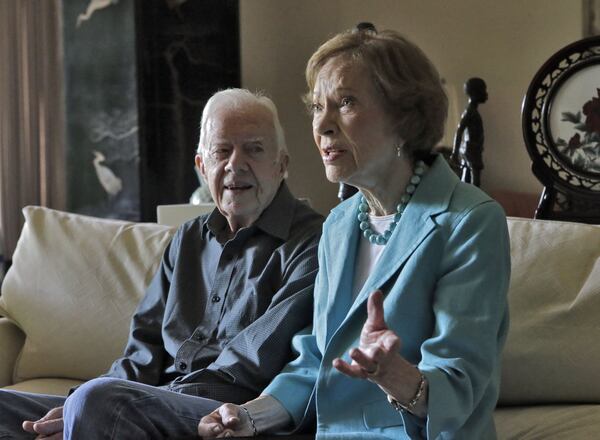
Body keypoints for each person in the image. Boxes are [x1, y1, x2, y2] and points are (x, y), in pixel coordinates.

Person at [198, 26, 510, 439]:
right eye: (316, 107)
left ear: (403, 115)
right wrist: (247, 418)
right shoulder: (340, 224)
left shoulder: (469, 221)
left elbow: (460, 384)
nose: (322, 125)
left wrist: (393, 374)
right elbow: (314, 362)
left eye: (345, 102)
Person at [0, 88, 324, 439]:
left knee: (100, 402)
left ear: (281, 165)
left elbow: (252, 365)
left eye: (254, 149)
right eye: (222, 150)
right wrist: (75, 407)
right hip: (150, 402)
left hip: (230, 416)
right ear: (202, 165)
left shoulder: (312, 241)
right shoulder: (187, 239)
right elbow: (143, 347)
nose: (235, 164)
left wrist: (109, 401)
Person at [451, 77, 488, 187]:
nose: (486, 94)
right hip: (471, 150)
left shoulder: (472, 111)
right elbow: (459, 131)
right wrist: (454, 152)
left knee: (466, 176)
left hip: (471, 149)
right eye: (483, 90)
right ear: (476, 93)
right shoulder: (470, 112)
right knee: (475, 180)